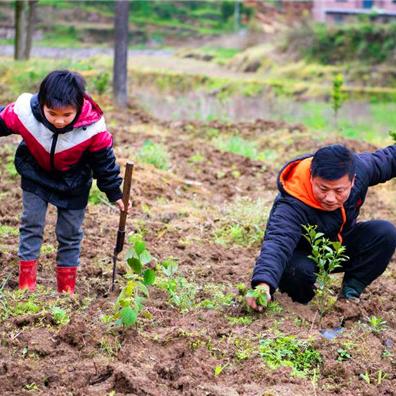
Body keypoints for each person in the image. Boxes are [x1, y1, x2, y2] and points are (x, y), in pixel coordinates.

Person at [0, 70, 131, 294]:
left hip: (74, 182)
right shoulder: (24, 113)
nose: (59, 121)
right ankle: (26, 287)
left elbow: (104, 162)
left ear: (79, 107)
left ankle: (66, 292)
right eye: (52, 113)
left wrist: (115, 193)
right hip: (36, 175)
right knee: (31, 224)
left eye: (67, 115)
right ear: (42, 103)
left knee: (70, 234)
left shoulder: (93, 128)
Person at [247, 144, 396, 310]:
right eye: (323, 188)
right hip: (301, 255)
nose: (330, 198)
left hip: (337, 247)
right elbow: (277, 242)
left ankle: (350, 294)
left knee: (385, 233)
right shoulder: (292, 202)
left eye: (339, 190)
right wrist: (263, 284)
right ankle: (302, 307)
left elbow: (389, 159)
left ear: (352, 180)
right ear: (312, 177)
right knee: (297, 273)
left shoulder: (359, 169)